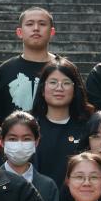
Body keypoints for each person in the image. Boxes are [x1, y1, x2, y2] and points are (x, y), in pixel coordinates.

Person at [0, 7, 69, 119]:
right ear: (20, 32)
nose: (36, 28)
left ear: (52, 32)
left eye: (42, 24)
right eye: (30, 24)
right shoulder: (4, 71)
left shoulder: (65, 68)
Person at [29, 58, 93, 191]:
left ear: (75, 90)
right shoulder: (28, 126)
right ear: (42, 89)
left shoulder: (88, 126)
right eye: (53, 82)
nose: (59, 88)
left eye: (66, 83)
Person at [1, 111, 60, 201]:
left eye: (26, 139)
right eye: (13, 139)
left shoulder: (47, 186)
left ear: (36, 142)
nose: (19, 144)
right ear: (2, 142)